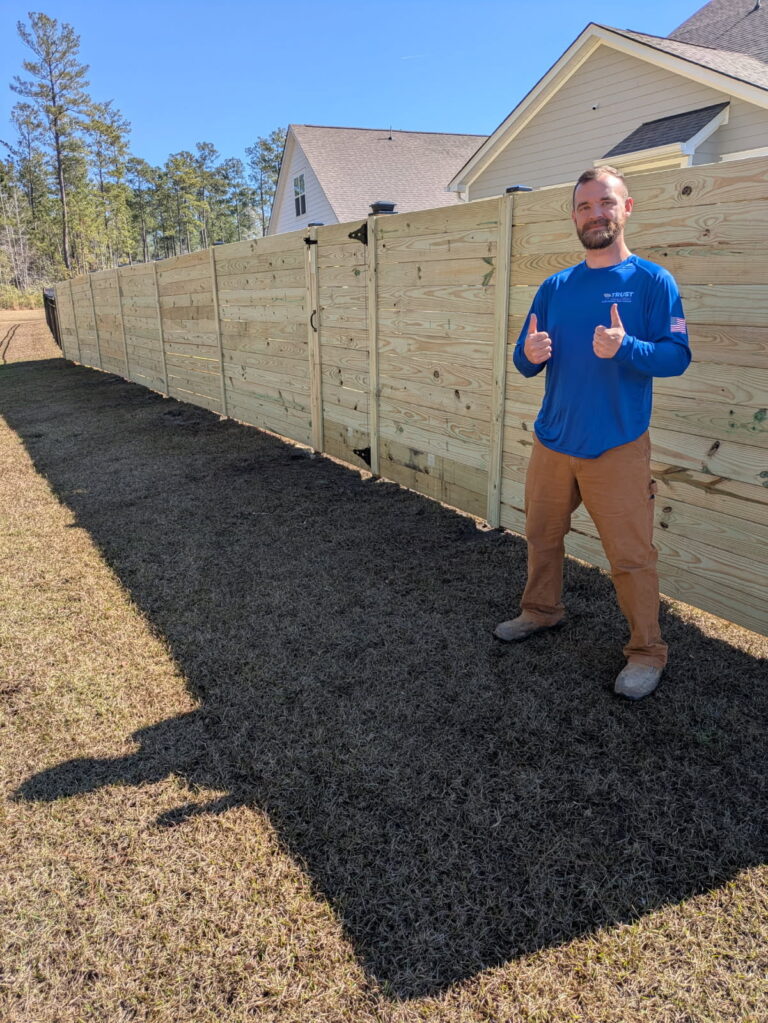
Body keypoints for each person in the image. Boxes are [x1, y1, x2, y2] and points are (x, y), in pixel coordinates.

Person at [495, 166, 691, 699]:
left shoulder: (652, 282)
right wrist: (528, 356)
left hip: (618, 444)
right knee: (541, 537)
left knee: (631, 557)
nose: (595, 213)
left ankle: (647, 652)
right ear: (575, 217)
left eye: (605, 203)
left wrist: (626, 348)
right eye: (584, 206)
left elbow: (677, 358)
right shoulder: (555, 287)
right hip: (553, 440)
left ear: (626, 209)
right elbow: (523, 356)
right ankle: (541, 611)